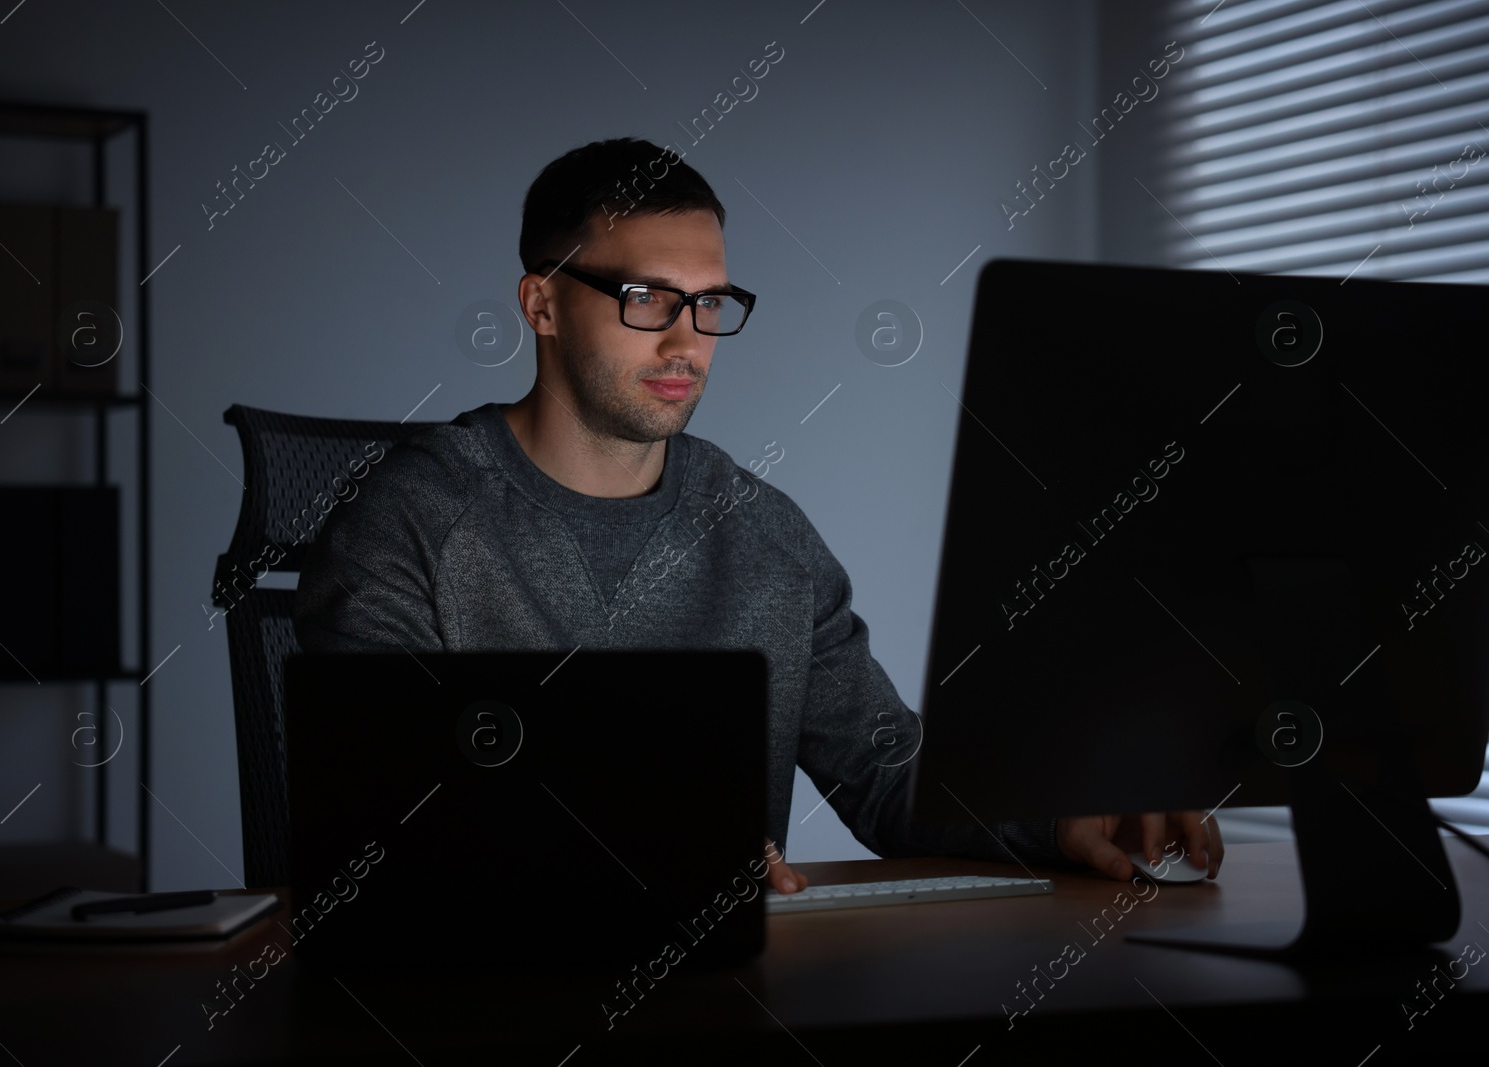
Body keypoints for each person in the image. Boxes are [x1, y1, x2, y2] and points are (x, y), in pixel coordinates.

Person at [293, 137, 1223, 893]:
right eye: (645, 297)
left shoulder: (763, 533)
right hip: (484, 1009)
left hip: (728, 1002)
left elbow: (887, 770)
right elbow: (386, 822)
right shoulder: (409, 522)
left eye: (708, 304)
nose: (684, 340)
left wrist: (1059, 811)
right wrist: (628, 862)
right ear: (541, 302)